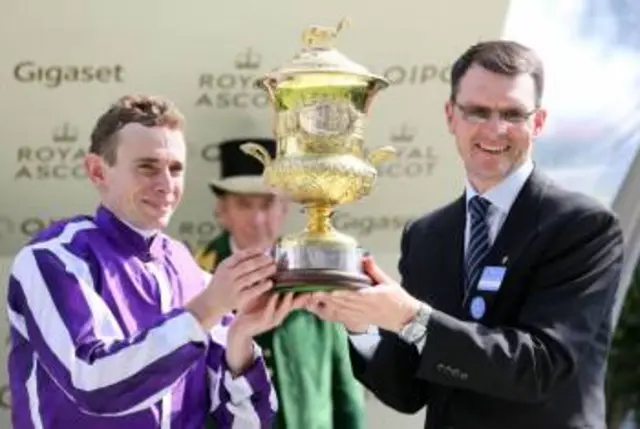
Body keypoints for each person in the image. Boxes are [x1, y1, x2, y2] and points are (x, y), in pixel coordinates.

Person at [307, 40, 626, 429]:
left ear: (538, 123)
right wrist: (360, 321)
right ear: (450, 116)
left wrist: (411, 317)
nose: (494, 129)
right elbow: (407, 393)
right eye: (477, 111)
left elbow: (539, 367)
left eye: (512, 113)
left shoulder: (583, 227)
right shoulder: (427, 235)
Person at [6, 94, 308, 429]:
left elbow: (245, 423)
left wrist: (240, 338)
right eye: (147, 167)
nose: (166, 184)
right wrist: (206, 309)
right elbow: (93, 384)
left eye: (175, 169)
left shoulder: (190, 269)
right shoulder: (52, 259)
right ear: (97, 170)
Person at [195, 137, 366, 429]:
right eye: (244, 205)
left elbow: (343, 381)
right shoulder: (196, 276)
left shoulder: (316, 272)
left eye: (267, 204)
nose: (258, 218)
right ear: (222, 210)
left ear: (285, 208)